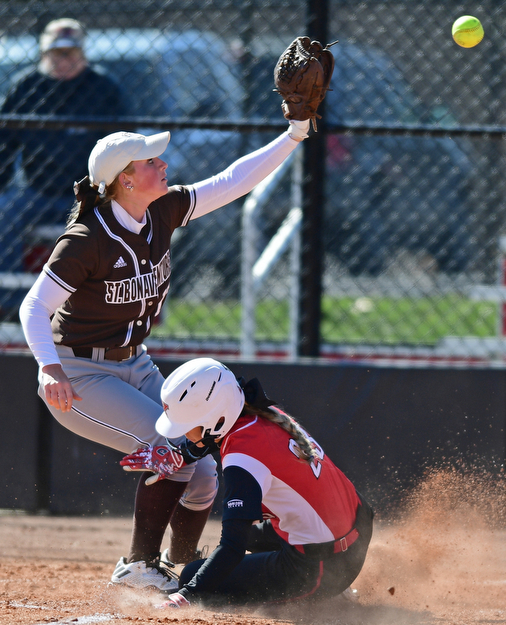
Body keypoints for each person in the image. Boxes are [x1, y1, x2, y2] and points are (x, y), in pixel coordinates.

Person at [18, 117, 312, 592]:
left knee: (205, 471)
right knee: (173, 454)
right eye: (150, 161)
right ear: (125, 180)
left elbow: (233, 182)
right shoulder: (86, 239)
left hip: (134, 362)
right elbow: (34, 306)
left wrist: (295, 133)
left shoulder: (161, 210)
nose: (163, 163)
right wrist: (50, 369)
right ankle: (138, 564)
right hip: (80, 372)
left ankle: (180, 567)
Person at [121, 357, 374, 608]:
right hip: (357, 530)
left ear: (215, 419)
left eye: (188, 426)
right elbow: (213, 440)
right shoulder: (262, 414)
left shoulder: (242, 457)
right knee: (250, 539)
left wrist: (185, 595)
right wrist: (183, 454)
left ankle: (329, 592)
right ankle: (332, 576)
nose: (185, 434)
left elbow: (232, 547)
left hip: (322, 569)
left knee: (194, 574)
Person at [0, 18, 125, 319]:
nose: (63, 60)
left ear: (82, 54)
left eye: (69, 53)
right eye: (56, 53)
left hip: (90, 191)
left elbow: (125, 142)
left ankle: (95, 306)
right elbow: (5, 142)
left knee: (105, 230)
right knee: (4, 215)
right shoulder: (28, 86)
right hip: (37, 191)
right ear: (44, 53)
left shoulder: (103, 89)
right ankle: (14, 304)